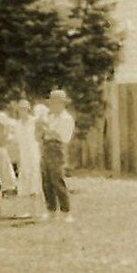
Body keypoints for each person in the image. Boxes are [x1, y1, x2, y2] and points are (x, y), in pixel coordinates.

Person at [41, 89, 77, 220]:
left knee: (57, 180)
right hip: (46, 148)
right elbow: (43, 135)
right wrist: (45, 130)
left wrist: (48, 130)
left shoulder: (66, 119)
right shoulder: (50, 117)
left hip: (57, 150)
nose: (53, 106)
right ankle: (51, 210)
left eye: (56, 103)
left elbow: (62, 136)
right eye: (52, 103)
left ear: (62, 104)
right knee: (46, 181)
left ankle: (66, 212)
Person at [7, 97, 43, 220]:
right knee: (24, 181)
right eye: (20, 110)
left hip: (33, 154)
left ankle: (36, 211)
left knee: (35, 180)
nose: (23, 112)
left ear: (29, 110)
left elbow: (40, 137)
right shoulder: (17, 125)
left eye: (25, 110)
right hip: (23, 156)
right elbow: (15, 141)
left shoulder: (34, 122)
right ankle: (24, 210)